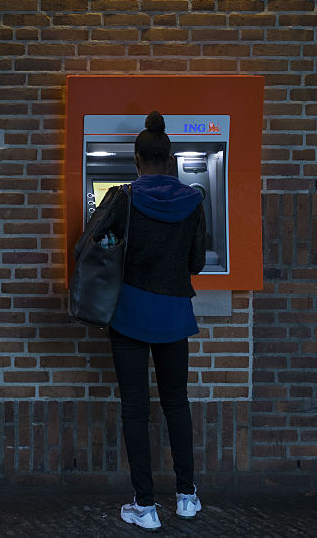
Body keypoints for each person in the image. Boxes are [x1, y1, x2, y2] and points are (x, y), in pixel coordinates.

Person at [99, 111, 207, 531]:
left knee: (135, 407)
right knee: (176, 402)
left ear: (136, 159)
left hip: (130, 312)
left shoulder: (121, 198)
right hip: (174, 314)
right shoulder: (194, 200)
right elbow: (196, 262)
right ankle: (187, 496)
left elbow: (94, 247)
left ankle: (144, 507)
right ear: (171, 159)